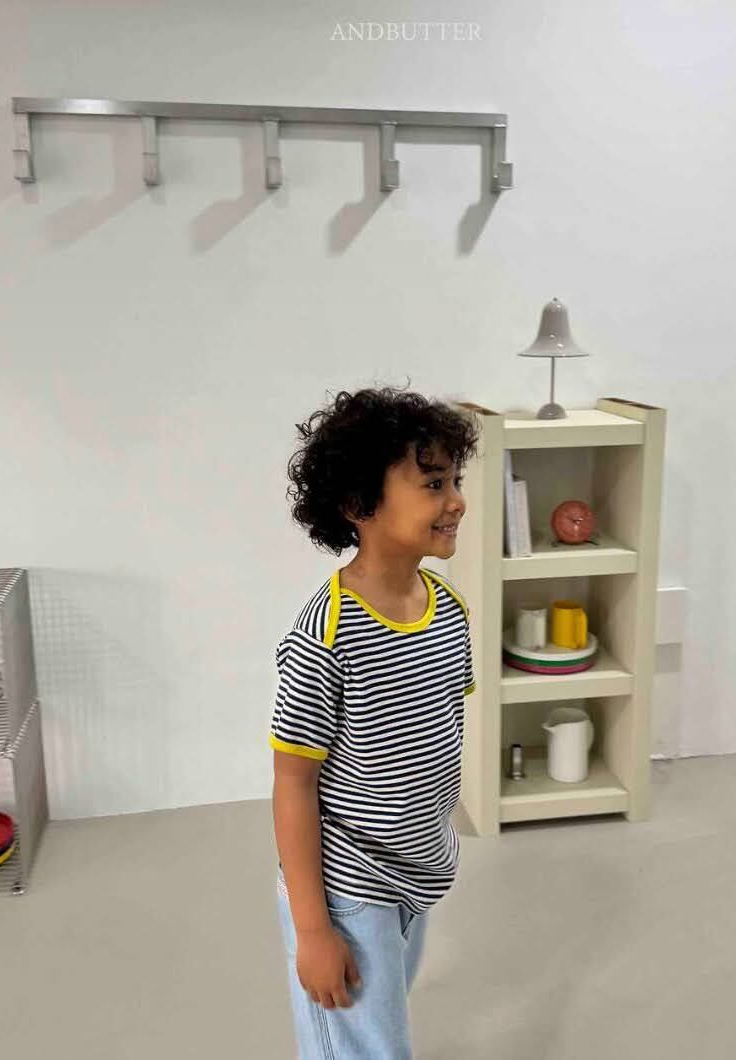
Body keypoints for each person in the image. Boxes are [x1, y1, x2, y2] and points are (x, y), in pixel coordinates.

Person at [270, 384, 480, 1058]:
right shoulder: (325, 637)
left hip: (416, 875)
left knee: (379, 1033)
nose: (457, 501)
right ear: (360, 505)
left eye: (455, 480)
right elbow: (293, 783)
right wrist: (313, 931)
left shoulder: (449, 612)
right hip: (347, 888)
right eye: (433, 484)